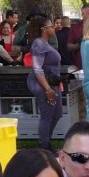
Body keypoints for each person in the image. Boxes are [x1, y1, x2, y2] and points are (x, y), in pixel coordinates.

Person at [27, 16, 64, 149]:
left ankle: (46, 141)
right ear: (44, 29)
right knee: (47, 114)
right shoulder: (38, 44)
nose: (53, 27)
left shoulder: (45, 43)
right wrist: (48, 90)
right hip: (43, 84)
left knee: (57, 113)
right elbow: (37, 69)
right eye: (51, 26)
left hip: (52, 82)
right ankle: (44, 146)